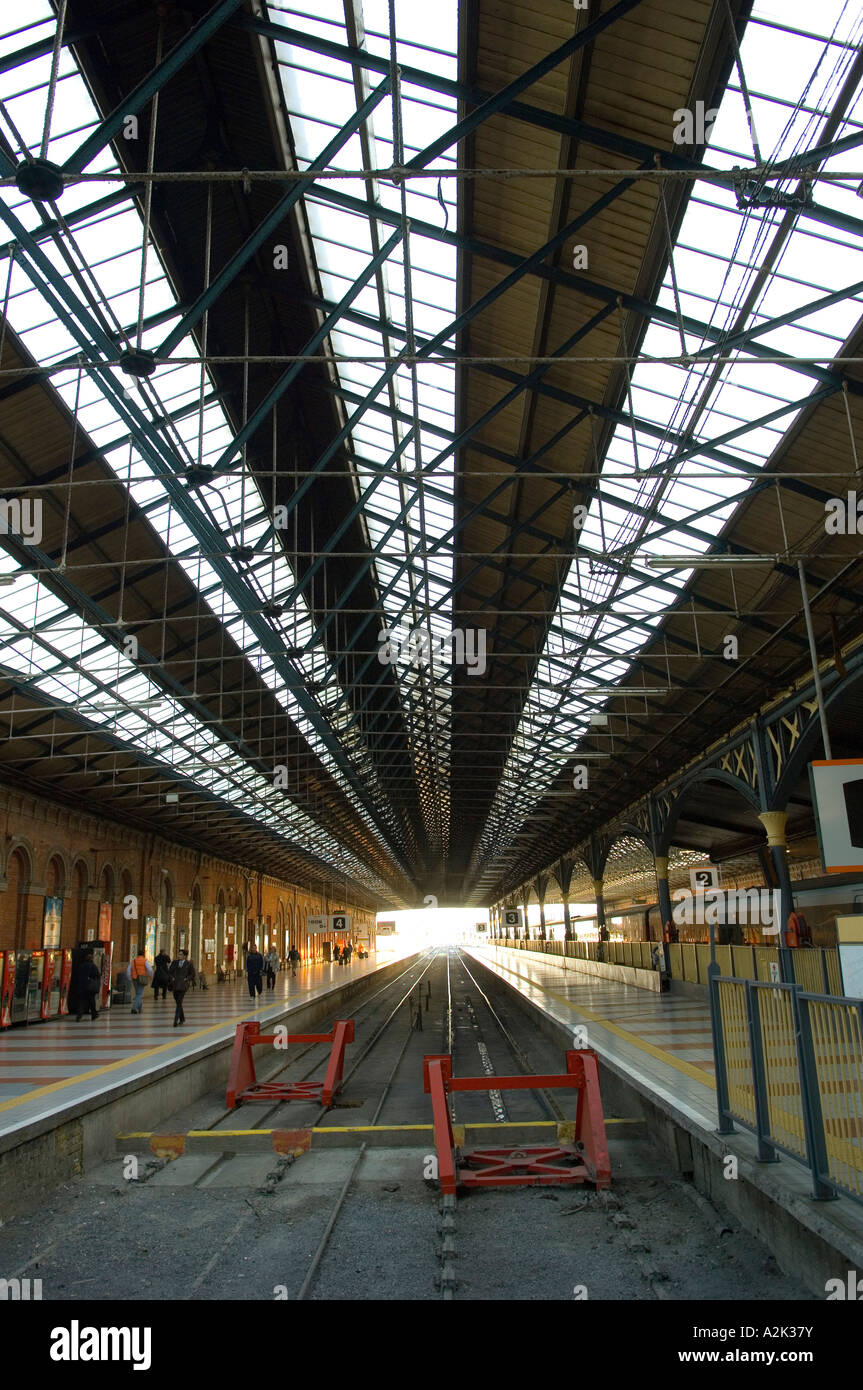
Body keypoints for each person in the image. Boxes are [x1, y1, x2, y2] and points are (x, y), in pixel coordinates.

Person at [168, 948, 196, 1026]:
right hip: (175, 985)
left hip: (183, 985)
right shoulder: (174, 962)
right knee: (178, 1002)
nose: (179, 956)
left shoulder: (189, 964)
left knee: (179, 1001)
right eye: (178, 954)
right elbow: (169, 972)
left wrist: (187, 979)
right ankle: (182, 1018)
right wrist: (172, 978)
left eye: (180, 954)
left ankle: (175, 1020)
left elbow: (192, 974)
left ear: (185, 956)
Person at [75, 951, 101, 1022]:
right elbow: (97, 975)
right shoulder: (93, 966)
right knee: (91, 1001)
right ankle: (94, 1015)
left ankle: (79, 1016)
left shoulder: (81, 966)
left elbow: (77, 975)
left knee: (81, 1001)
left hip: (81, 986)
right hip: (89, 987)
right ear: (91, 959)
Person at [127, 948, 153, 1013]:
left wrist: (129, 978)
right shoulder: (145, 961)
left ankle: (140, 1008)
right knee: (139, 994)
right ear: (143, 954)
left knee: (138, 993)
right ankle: (134, 1008)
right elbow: (150, 970)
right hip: (142, 979)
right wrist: (151, 976)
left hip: (134, 979)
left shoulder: (133, 961)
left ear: (137, 954)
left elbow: (128, 970)